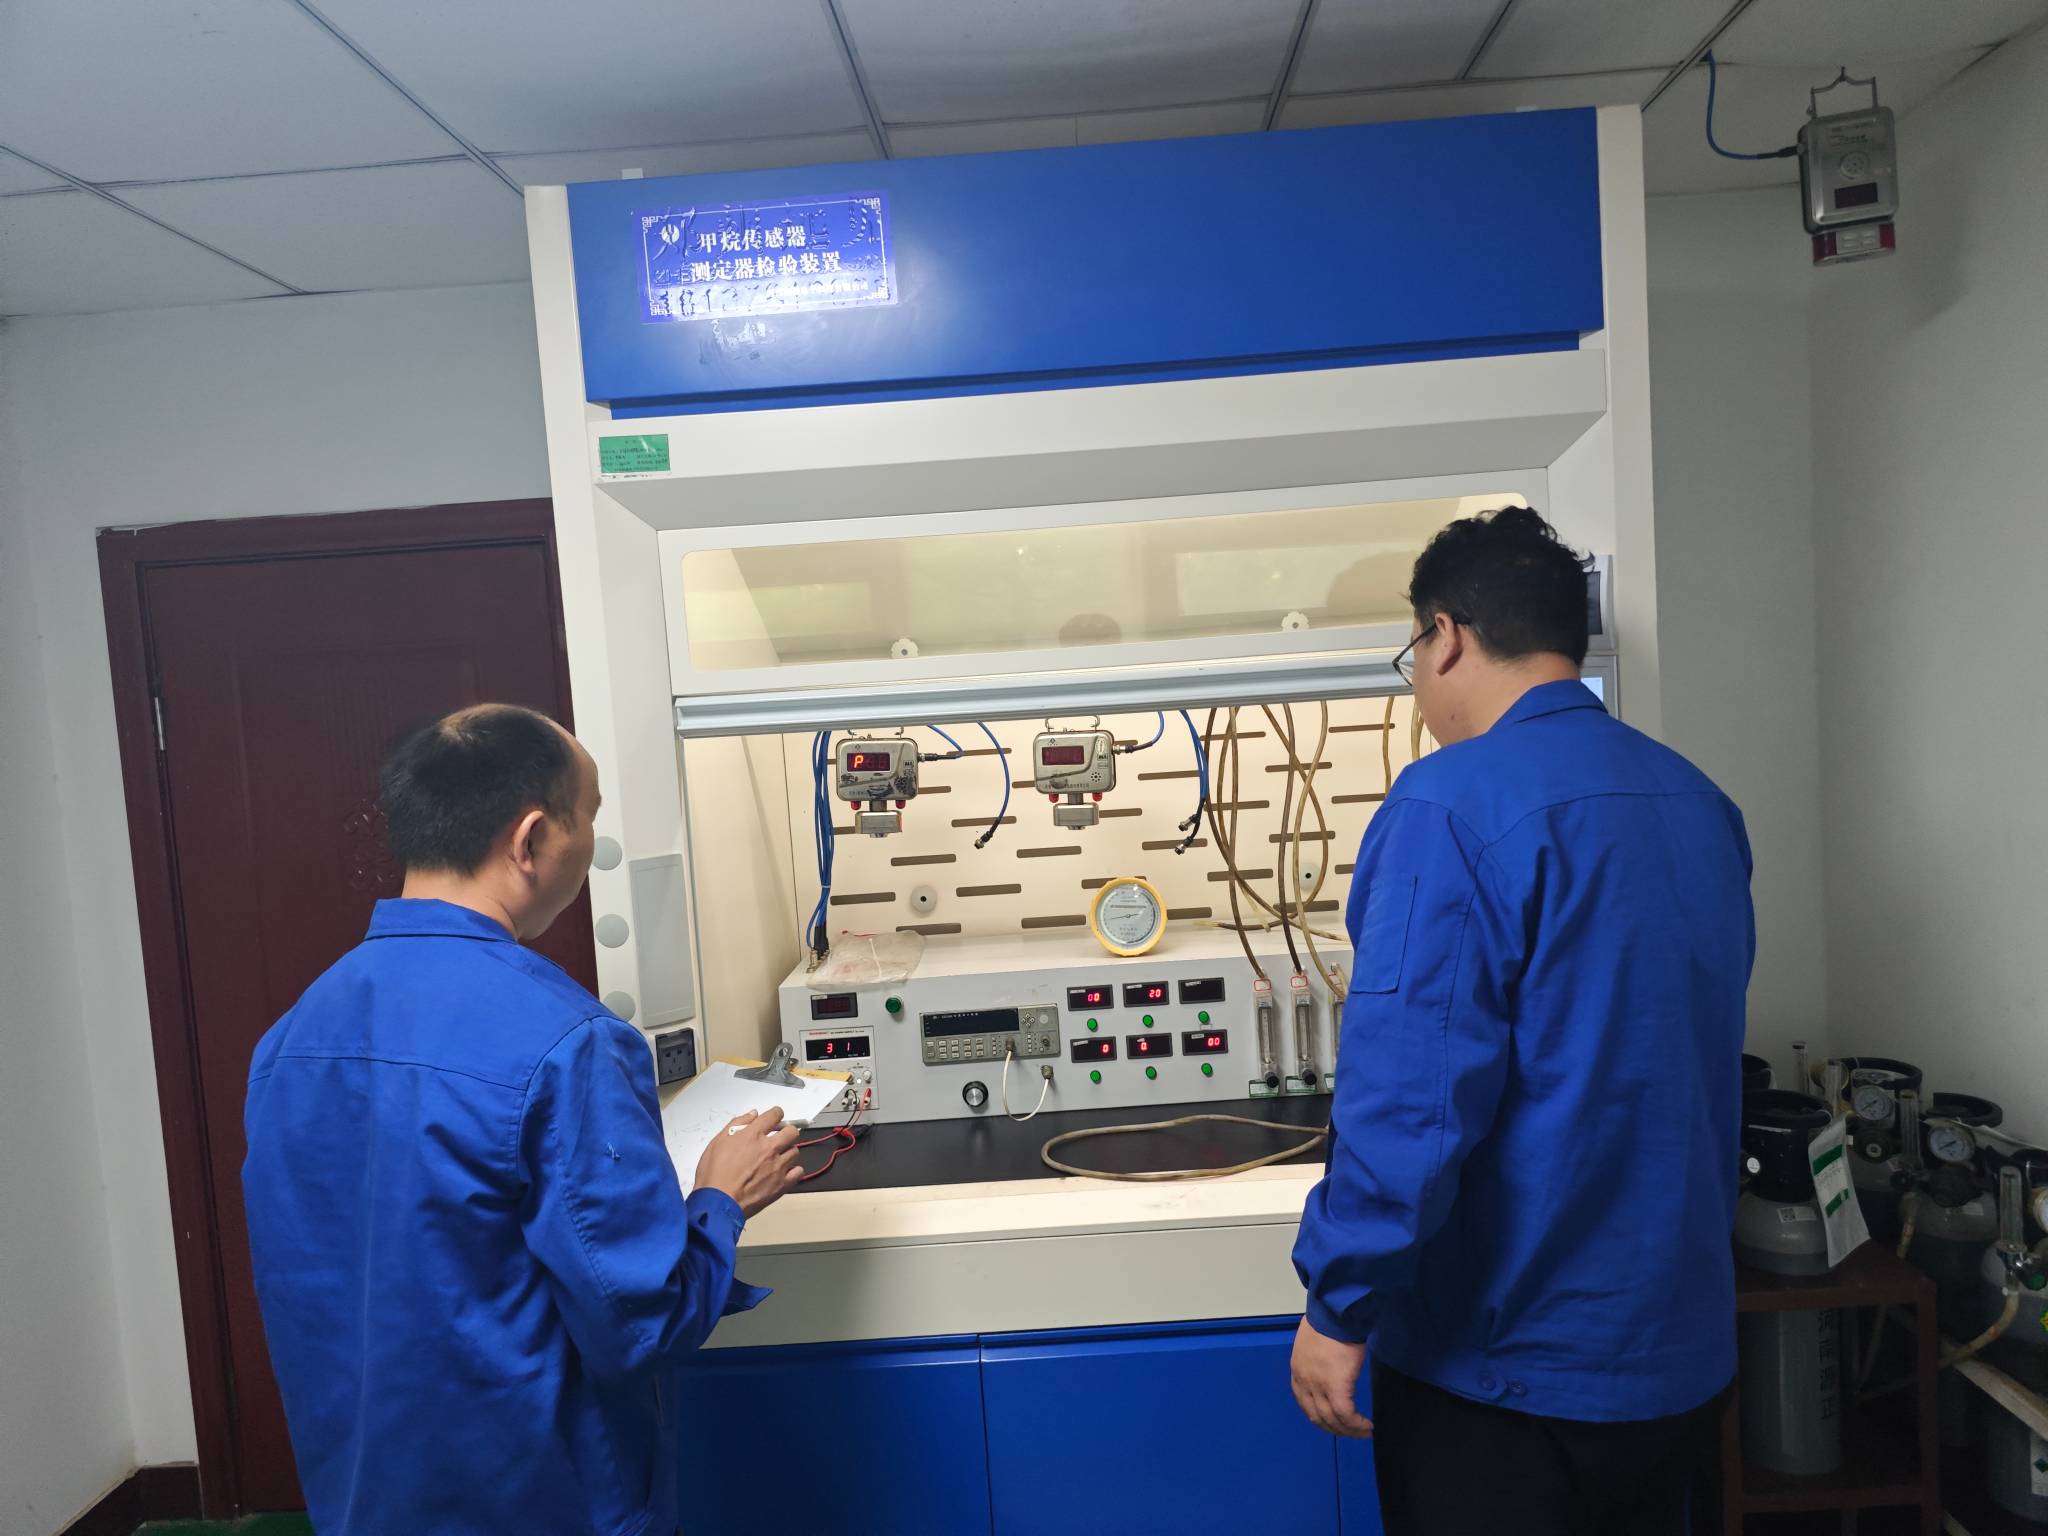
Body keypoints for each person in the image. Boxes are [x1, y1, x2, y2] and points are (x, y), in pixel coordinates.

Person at [1289, 508, 1753, 1535]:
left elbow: (1411, 1104)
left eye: (1412, 654)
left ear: (1446, 636)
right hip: (1676, 1362)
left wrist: (1338, 1302)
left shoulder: (1447, 806)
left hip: (1504, 1379)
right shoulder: (1697, 801)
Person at [243, 704, 801, 1536]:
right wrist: (720, 1200)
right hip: (539, 1501)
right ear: (532, 838)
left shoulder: (293, 1037)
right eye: (590, 819)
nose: (592, 848)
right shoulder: (570, 1043)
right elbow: (640, 1325)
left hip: (364, 1496)